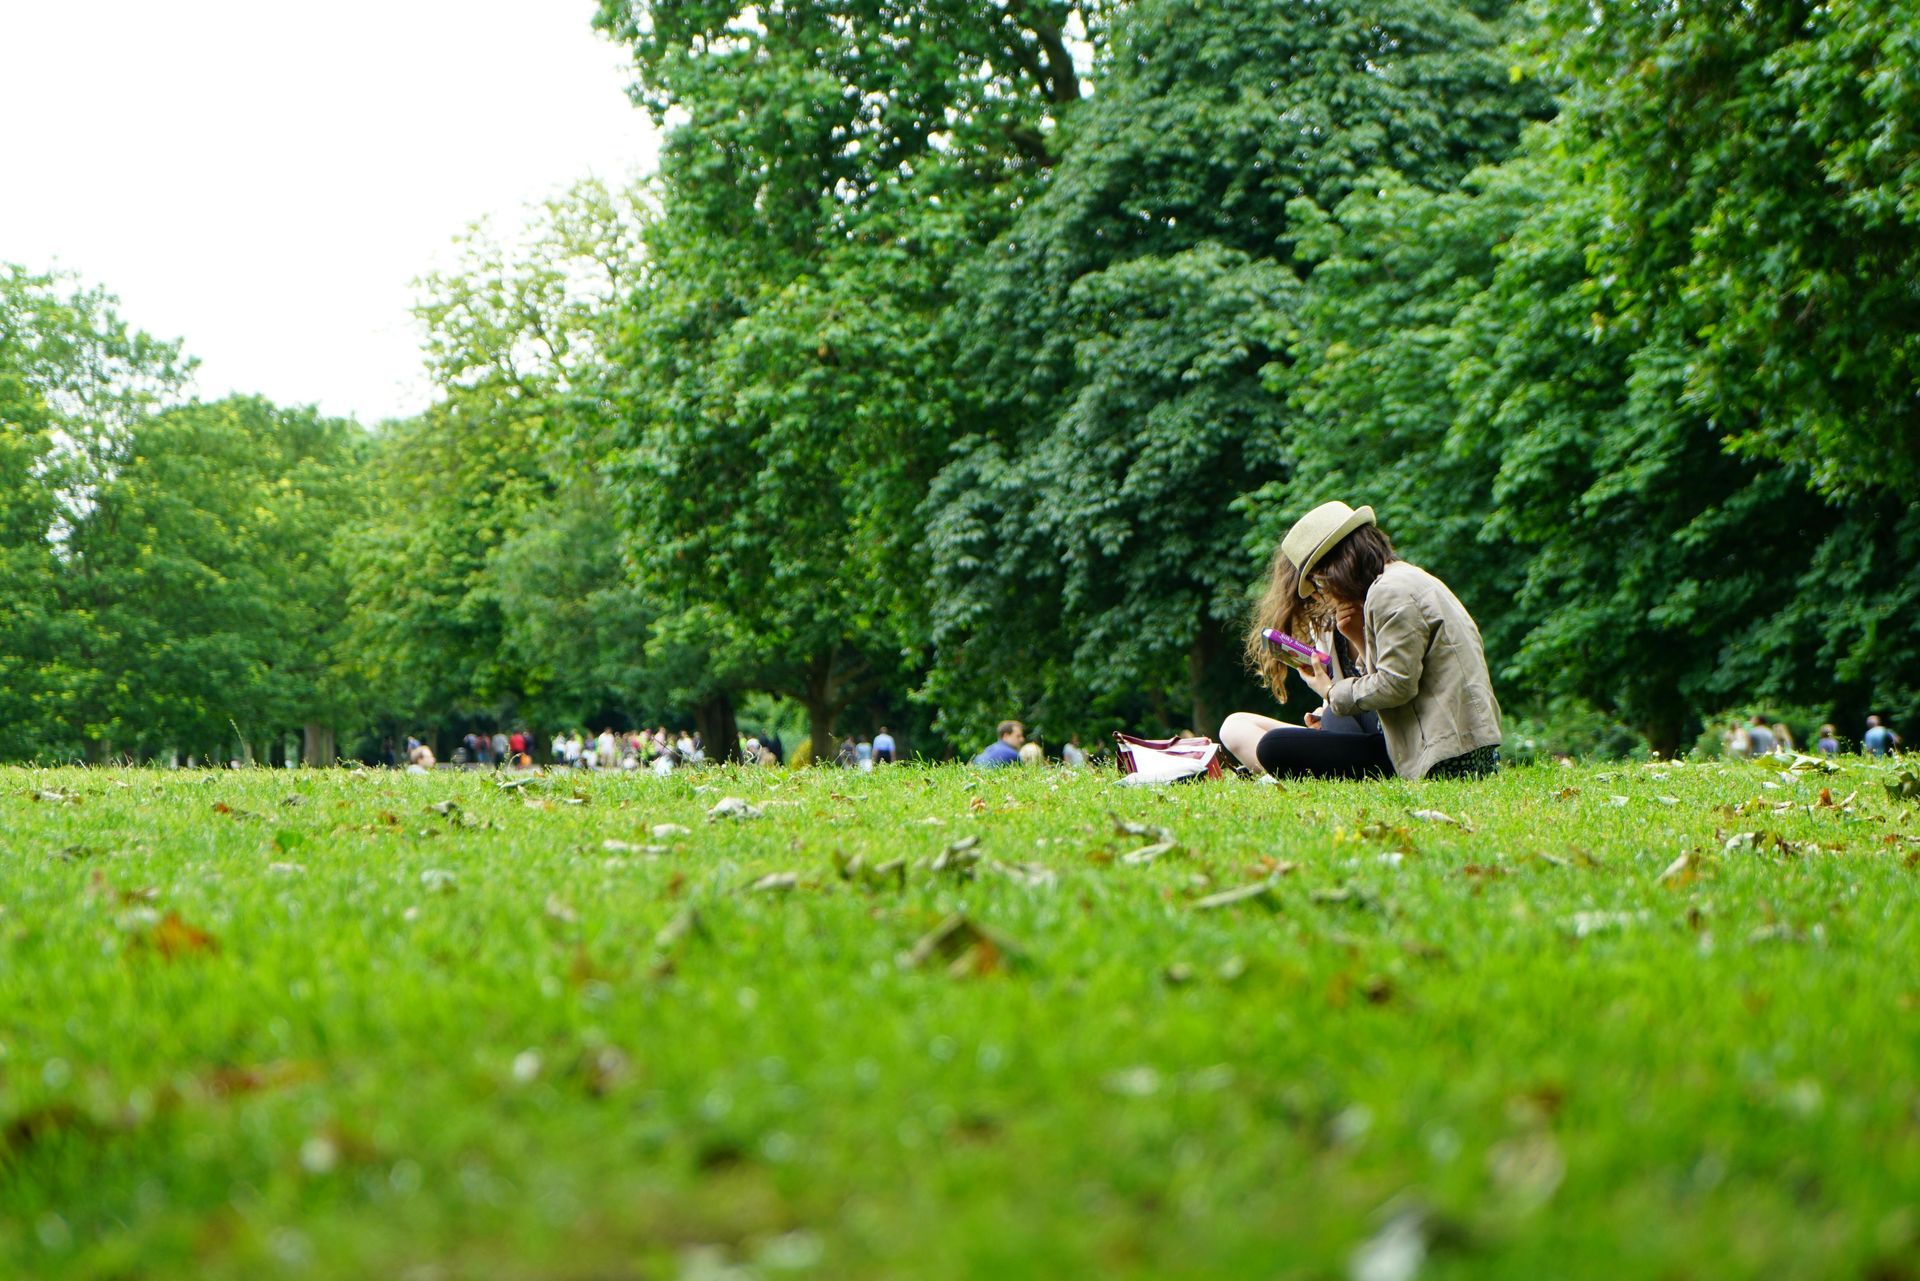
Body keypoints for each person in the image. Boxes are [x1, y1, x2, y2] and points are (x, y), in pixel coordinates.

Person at [1220, 501, 1501, 781]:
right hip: (1439, 745)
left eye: (1319, 583)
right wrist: (1356, 636)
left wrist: (1331, 692)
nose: (1323, 594)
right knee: (1329, 719)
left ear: (1338, 564)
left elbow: (1397, 686)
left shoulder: (1390, 592)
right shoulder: (1400, 580)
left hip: (1445, 757)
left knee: (1274, 746)